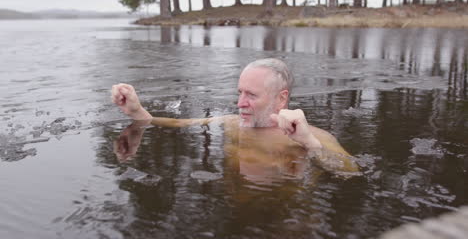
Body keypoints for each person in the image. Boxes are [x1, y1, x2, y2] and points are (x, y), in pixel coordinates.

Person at [111, 58, 359, 173]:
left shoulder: (311, 136)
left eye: (251, 95)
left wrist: (309, 144)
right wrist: (137, 111)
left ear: (280, 98)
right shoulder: (231, 123)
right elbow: (177, 123)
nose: (240, 103)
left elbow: (350, 171)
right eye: (239, 92)